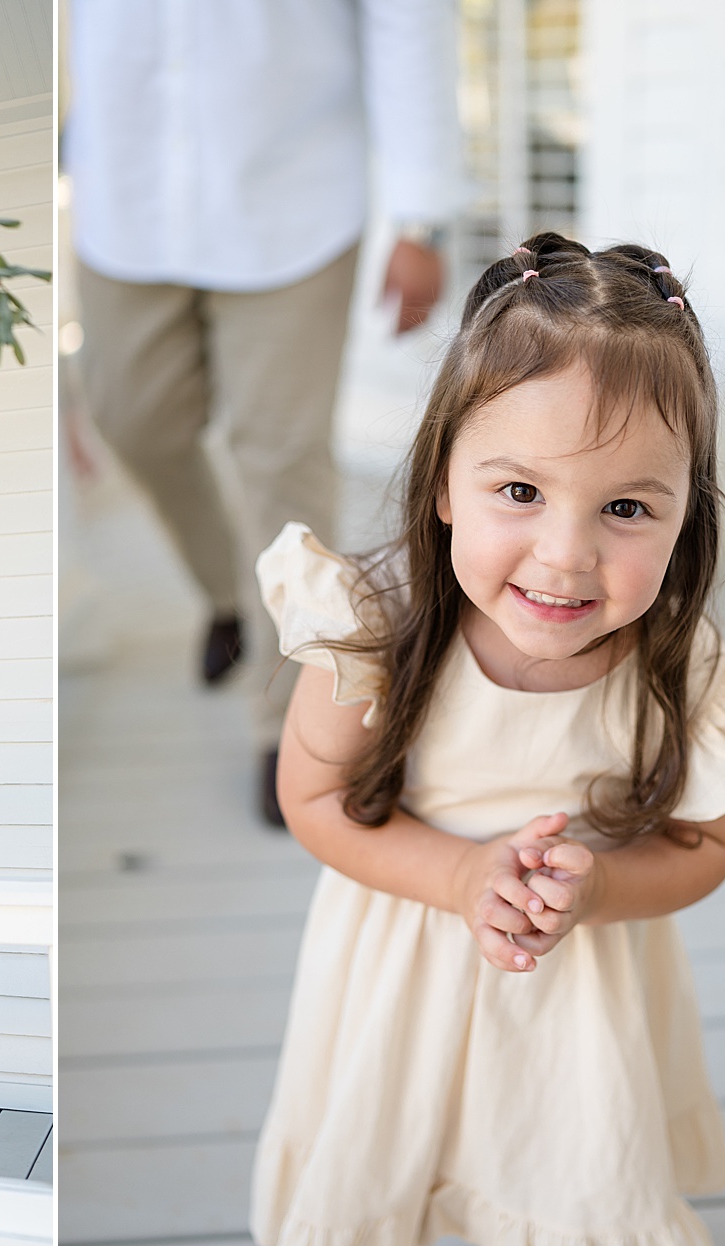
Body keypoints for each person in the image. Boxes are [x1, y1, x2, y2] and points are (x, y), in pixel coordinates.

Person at [251, 235, 725, 1246]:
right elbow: (312, 801)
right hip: (401, 954)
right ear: (444, 478)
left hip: (579, 985)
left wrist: (597, 889)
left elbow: (705, 849)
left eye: (624, 506)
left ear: (683, 515)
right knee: (389, 1157)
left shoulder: (684, 672)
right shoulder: (371, 631)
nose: (566, 554)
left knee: (558, 1170)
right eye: (519, 490)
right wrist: (458, 870)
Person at [64, 0, 464, 824]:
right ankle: (229, 595)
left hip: (294, 199)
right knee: (135, 421)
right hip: (124, 193)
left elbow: (409, 19)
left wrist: (422, 215)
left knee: (282, 461)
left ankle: (292, 727)